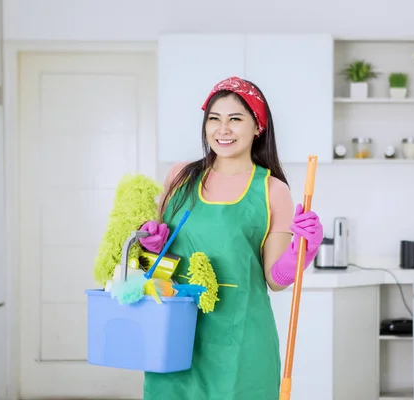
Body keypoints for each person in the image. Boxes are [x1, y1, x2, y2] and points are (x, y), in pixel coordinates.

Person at [138, 76, 323, 400]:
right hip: (175, 332)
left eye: (235, 119)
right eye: (214, 119)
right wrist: (151, 246)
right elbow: (155, 263)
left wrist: (302, 251)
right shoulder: (179, 177)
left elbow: (276, 280)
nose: (222, 130)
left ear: (258, 127)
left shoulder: (272, 190)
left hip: (240, 341)